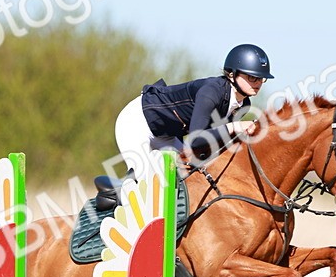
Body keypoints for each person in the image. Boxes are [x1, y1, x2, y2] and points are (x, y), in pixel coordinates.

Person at [114, 43, 273, 179]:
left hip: (168, 135)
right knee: (145, 181)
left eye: (261, 79)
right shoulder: (211, 91)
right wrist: (235, 127)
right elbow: (197, 138)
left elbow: (215, 138)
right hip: (137, 122)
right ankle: (112, 195)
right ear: (232, 74)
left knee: (191, 174)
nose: (258, 83)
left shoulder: (243, 103)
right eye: (253, 77)